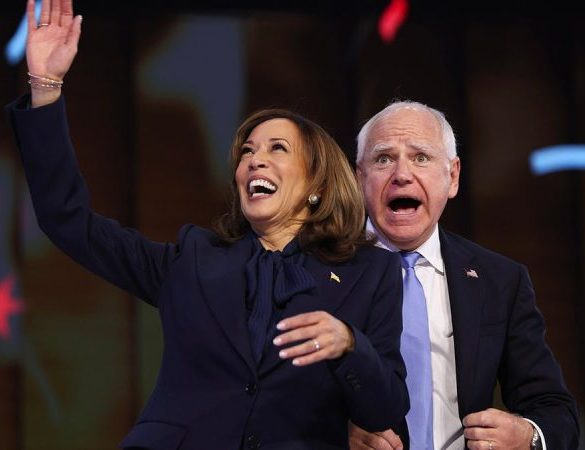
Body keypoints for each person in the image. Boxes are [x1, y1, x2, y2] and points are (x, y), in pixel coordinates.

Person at [7, 1, 409, 448]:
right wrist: (46, 87)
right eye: (247, 151)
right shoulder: (193, 258)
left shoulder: (370, 273)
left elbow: (386, 407)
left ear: (317, 183)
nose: (254, 159)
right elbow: (68, 221)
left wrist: (350, 344)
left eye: (277, 148)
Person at [350, 100, 580, 450]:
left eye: (421, 157)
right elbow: (274, 401)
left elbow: (555, 410)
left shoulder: (500, 280)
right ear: (359, 178)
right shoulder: (316, 268)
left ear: (453, 177)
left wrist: (527, 435)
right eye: (383, 159)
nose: (402, 174)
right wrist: (335, 434)